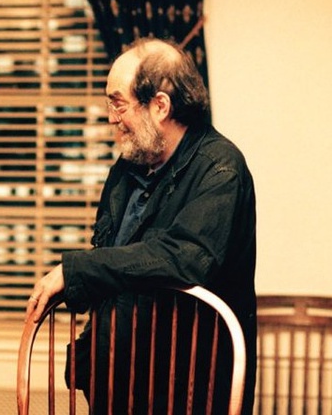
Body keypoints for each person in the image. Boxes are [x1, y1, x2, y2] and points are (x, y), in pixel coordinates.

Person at [26, 37, 256, 414]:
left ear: (160, 106)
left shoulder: (220, 167)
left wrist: (75, 269)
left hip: (186, 392)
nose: (111, 117)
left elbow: (184, 257)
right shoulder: (128, 166)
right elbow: (112, 256)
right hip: (117, 382)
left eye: (118, 103)